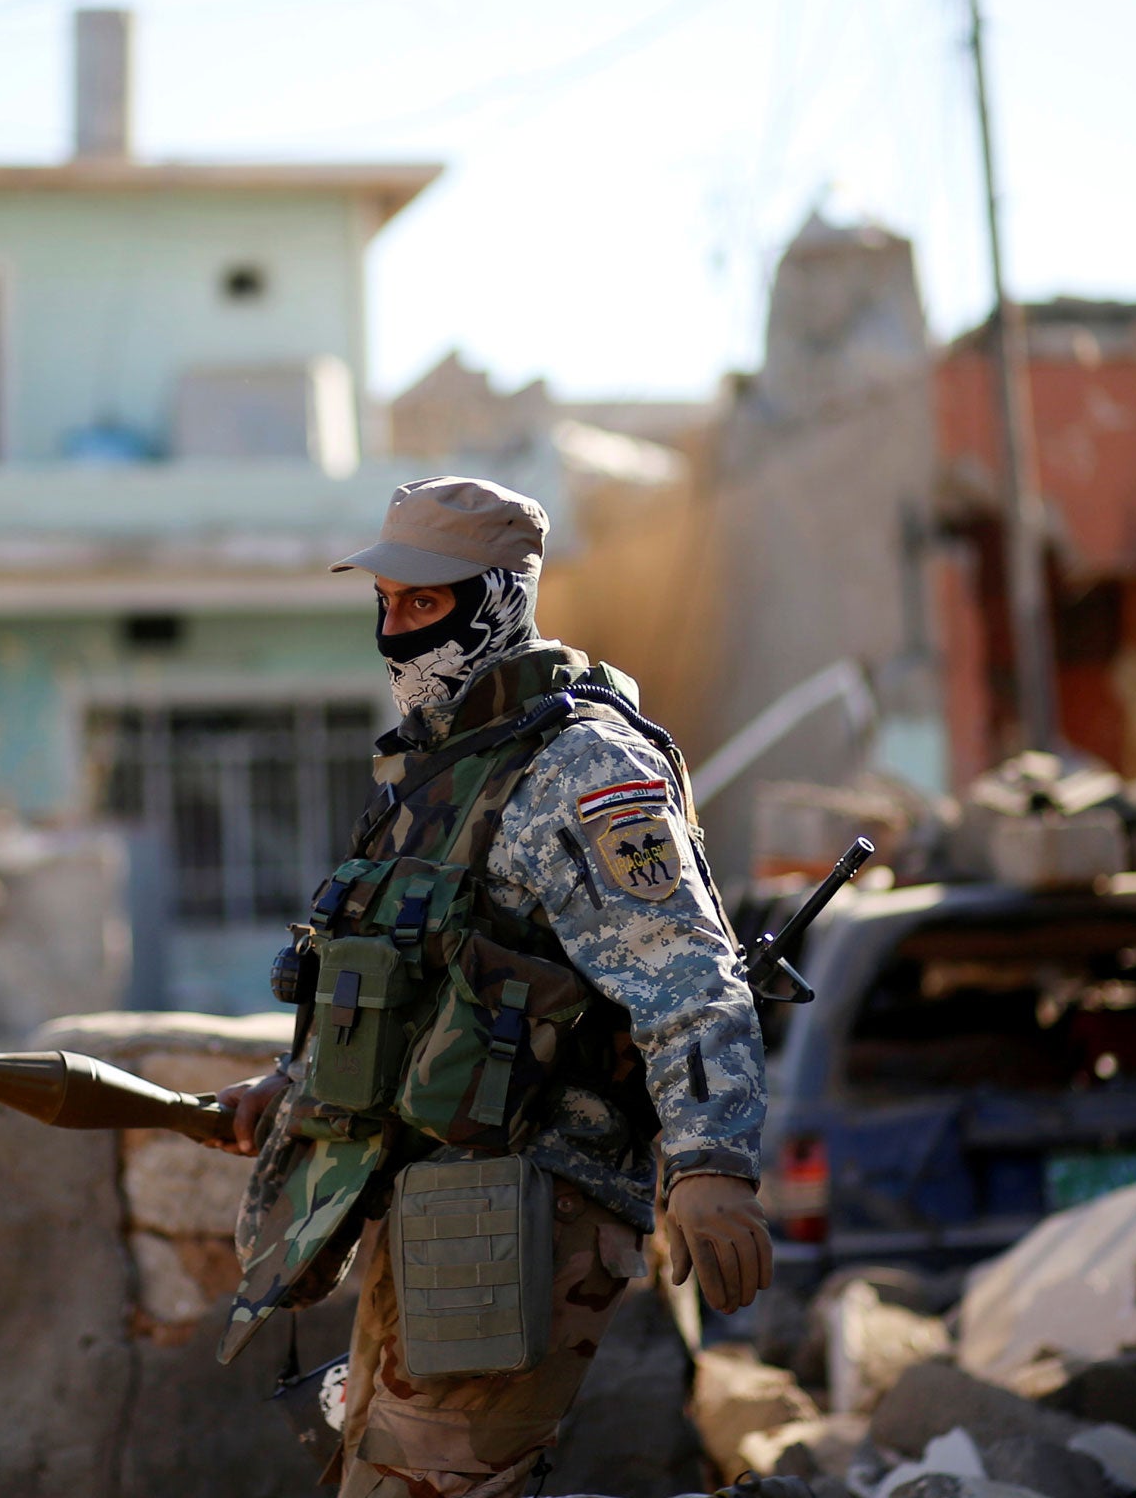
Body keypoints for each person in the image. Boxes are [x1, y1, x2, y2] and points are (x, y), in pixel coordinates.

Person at [212, 475, 772, 1498]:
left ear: (501, 598)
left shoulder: (578, 766)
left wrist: (710, 1161)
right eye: (384, 602)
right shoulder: (434, 776)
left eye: (424, 604)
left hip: (526, 1213)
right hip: (419, 1202)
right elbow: (398, 985)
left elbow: (686, 972)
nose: (395, 631)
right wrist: (288, 1085)